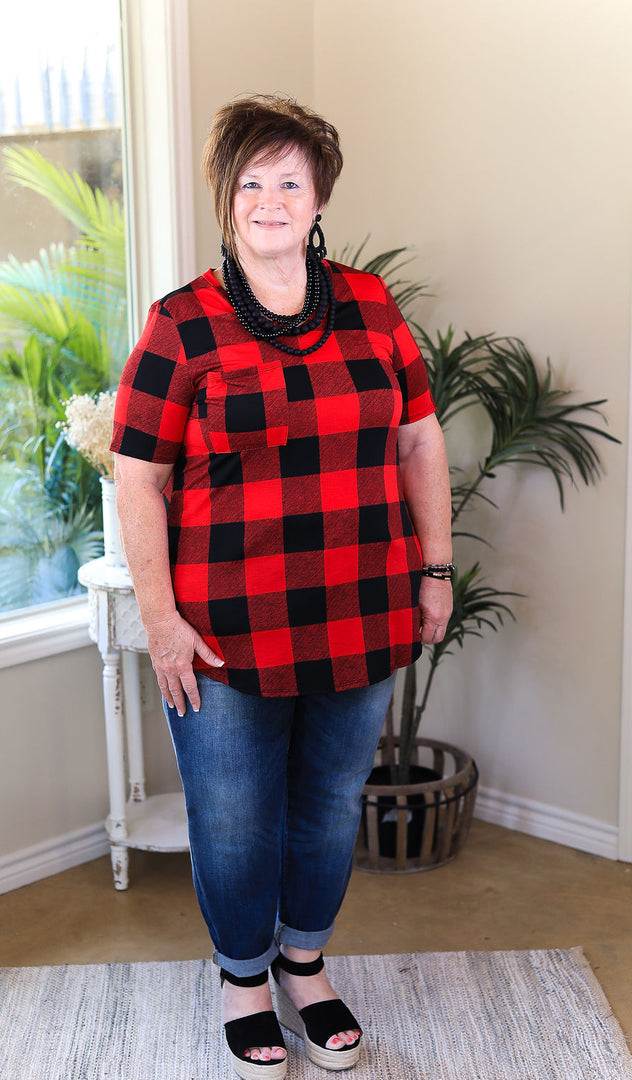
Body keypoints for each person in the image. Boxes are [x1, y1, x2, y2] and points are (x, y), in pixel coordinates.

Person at [111, 94, 453, 1079]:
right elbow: (138, 476)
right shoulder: (181, 325)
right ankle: (243, 979)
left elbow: (419, 435)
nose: (270, 198)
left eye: (289, 181)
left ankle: (305, 964)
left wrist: (434, 568)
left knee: (326, 804)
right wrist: (161, 622)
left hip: (361, 609)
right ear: (226, 200)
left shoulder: (371, 307)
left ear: (319, 199)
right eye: (250, 181)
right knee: (234, 818)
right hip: (224, 635)